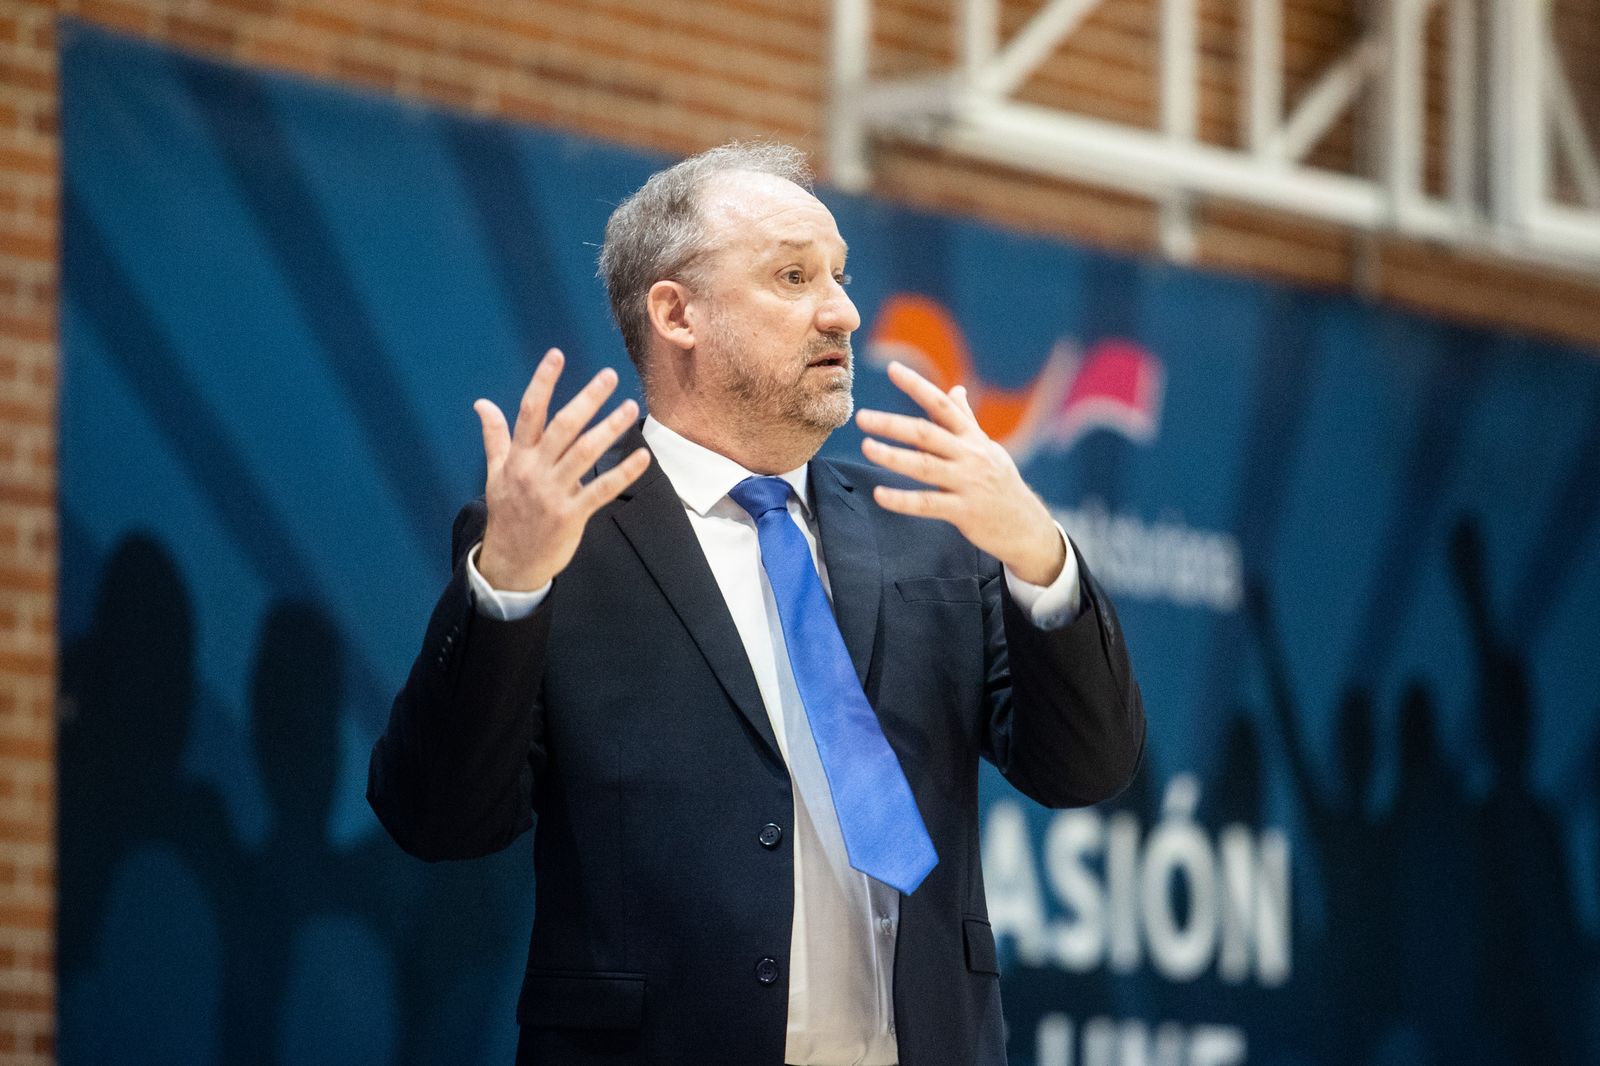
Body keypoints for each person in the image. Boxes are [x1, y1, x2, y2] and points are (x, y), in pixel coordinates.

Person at [369, 142, 1145, 1066]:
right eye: (793, 275)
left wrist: (1039, 555)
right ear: (676, 312)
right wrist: (508, 589)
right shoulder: (562, 542)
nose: (845, 311)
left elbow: (1086, 769)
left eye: (841, 276)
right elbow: (438, 817)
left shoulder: (931, 531)